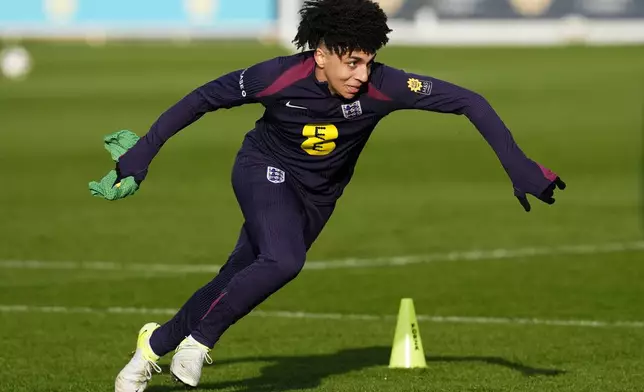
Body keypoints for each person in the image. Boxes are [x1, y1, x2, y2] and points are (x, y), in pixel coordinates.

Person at [90, 0, 566, 390]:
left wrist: (518, 166)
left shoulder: (386, 85)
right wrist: (143, 153)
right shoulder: (275, 76)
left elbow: (468, 101)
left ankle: (150, 349)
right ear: (320, 54)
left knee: (239, 275)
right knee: (283, 260)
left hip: (319, 197)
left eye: (368, 61)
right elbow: (202, 98)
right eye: (351, 61)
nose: (361, 73)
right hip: (263, 169)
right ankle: (198, 344)